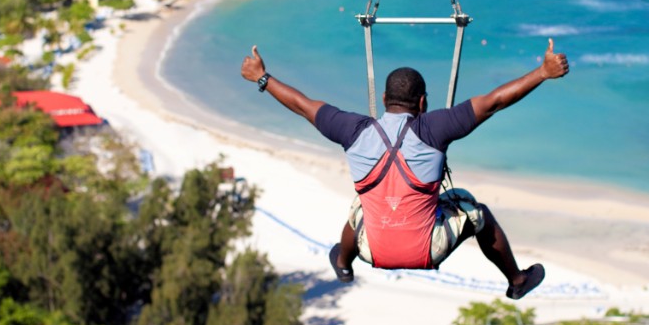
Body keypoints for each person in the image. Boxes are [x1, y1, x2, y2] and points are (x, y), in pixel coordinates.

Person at [240, 38, 569, 300]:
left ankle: (342, 262)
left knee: (360, 205)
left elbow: (303, 105)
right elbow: (494, 101)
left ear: (384, 98)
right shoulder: (434, 128)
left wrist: (262, 77)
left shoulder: (352, 130)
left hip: (373, 250)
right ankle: (516, 280)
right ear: (423, 102)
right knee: (474, 210)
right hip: (426, 250)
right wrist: (542, 72)